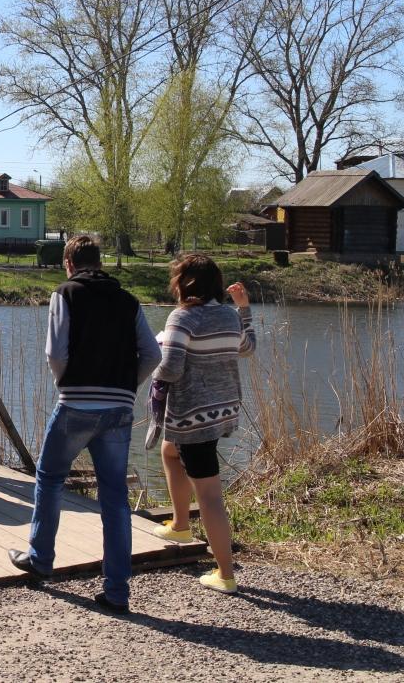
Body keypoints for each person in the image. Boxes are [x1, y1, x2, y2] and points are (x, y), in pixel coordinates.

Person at [7, 235, 161, 615]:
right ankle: (117, 591)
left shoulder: (66, 293)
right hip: (119, 410)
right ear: (101, 263)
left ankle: (41, 558)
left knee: (49, 478)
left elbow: (55, 352)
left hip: (76, 403)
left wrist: (66, 384)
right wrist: (127, 386)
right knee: (114, 497)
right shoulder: (128, 301)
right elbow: (153, 354)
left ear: (69, 264)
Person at [151, 254, 255, 594]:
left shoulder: (182, 317)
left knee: (209, 495)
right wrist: (244, 309)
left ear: (184, 283)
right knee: (169, 451)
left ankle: (225, 574)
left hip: (193, 414)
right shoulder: (228, 315)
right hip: (222, 409)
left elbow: (171, 369)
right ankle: (181, 525)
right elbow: (247, 348)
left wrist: (153, 355)